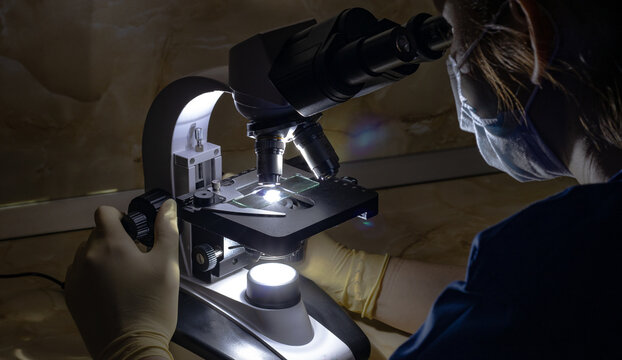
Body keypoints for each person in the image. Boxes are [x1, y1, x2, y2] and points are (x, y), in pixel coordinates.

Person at [64, 0, 622, 358]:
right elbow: (513, 313)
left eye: (450, 38)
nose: (453, 64)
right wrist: (360, 277)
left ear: (530, 30)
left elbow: (530, 306)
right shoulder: (575, 253)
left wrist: (130, 345)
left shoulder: (553, 264)